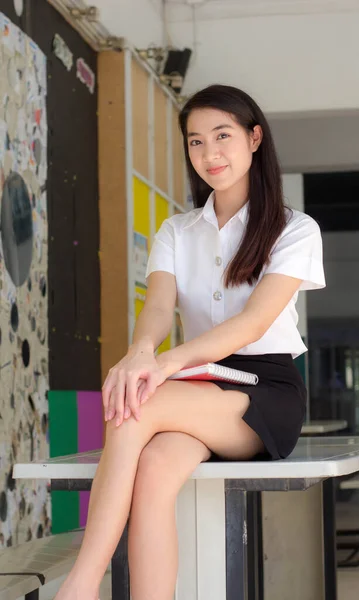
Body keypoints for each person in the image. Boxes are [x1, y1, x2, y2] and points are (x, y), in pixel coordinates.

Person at [55, 84, 325, 600]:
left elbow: (250, 325)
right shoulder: (177, 231)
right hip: (201, 384)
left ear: (254, 138)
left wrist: (161, 366)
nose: (209, 153)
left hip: (263, 390)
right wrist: (139, 355)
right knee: (154, 471)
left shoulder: (294, 229)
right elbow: (157, 308)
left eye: (222, 136)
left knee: (136, 406)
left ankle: (82, 585)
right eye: (196, 142)